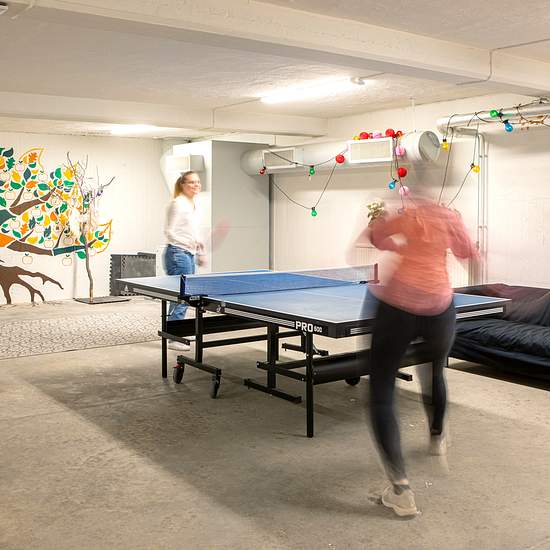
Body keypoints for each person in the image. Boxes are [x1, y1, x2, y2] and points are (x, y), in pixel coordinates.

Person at [359, 197, 478, 517]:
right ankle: (437, 436)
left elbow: (374, 237)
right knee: (435, 371)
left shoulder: (406, 213)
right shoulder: (448, 216)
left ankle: (401, 490)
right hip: (439, 307)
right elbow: (469, 252)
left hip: (398, 307)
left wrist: (395, 241)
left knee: (381, 391)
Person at [163, 170, 206, 351]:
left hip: (188, 254)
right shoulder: (177, 203)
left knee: (184, 296)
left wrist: (200, 250)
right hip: (177, 254)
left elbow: (192, 232)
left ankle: (175, 331)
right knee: (183, 296)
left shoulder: (192, 204)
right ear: (183, 184)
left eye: (198, 182)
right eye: (191, 182)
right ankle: (174, 338)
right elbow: (169, 231)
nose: (196, 185)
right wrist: (186, 242)